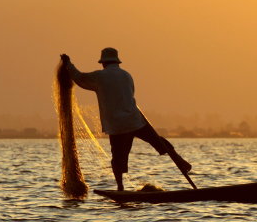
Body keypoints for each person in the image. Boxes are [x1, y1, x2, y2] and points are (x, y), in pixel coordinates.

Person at [60, 48, 191, 191]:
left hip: (117, 126)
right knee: (158, 140)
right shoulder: (126, 75)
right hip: (135, 119)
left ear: (103, 63)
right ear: (116, 62)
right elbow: (131, 93)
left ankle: (120, 187)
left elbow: (79, 78)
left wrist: (69, 64)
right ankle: (180, 160)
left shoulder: (100, 77)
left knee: (117, 158)